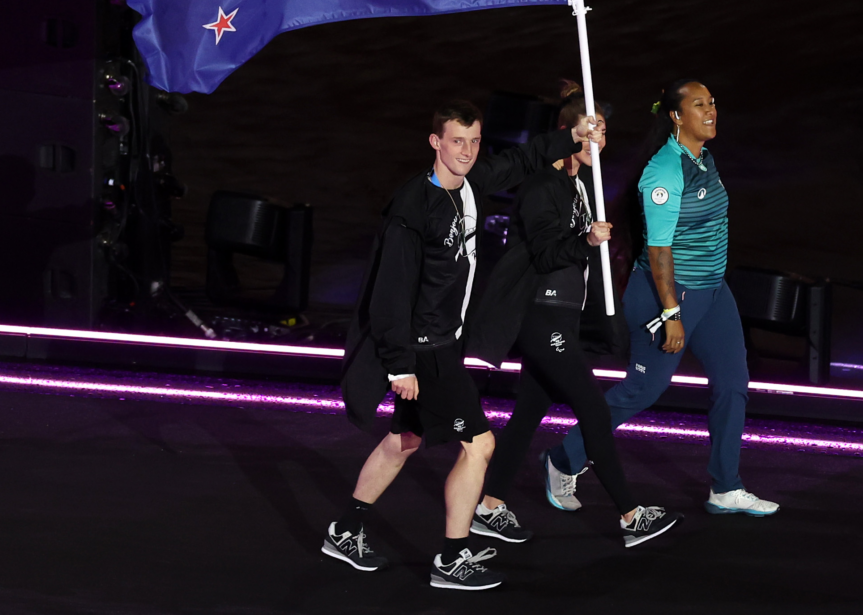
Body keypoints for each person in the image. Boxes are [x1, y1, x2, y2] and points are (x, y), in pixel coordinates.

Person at [325, 99, 603, 591]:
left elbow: (520, 160)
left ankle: (344, 531)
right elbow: (389, 295)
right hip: (423, 347)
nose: (467, 151)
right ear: (435, 143)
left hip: (444, 340)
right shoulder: (413, 210)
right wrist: (399, 366)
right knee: (479, 444)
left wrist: (575, 137)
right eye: (457, 141)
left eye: (475, 141)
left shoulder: (470, 184)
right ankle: (451, 560)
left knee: (405, 441)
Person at [541, 80, 779, 517]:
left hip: (712, 292)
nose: (711, 112)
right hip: (667, 297)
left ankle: (725, 487)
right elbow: (658, 251)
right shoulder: (664, 172)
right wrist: (671, 313)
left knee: (732, 386)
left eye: (712, 103)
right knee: (642, 390)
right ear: (675, 116)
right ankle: (563, 457)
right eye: (699, 105)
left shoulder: (703, 158)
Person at [465, 82, 682, 549]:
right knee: (593, 409)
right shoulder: (544, 182)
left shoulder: (582, 182)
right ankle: (629, 515)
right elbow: (544, 253)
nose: (599, 143)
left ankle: (489, 506)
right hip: (540, 314)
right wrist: (585, 241)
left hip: (563, 316)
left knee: (527, 415)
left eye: (604, 133)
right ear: (568, 132)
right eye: (591, 132)